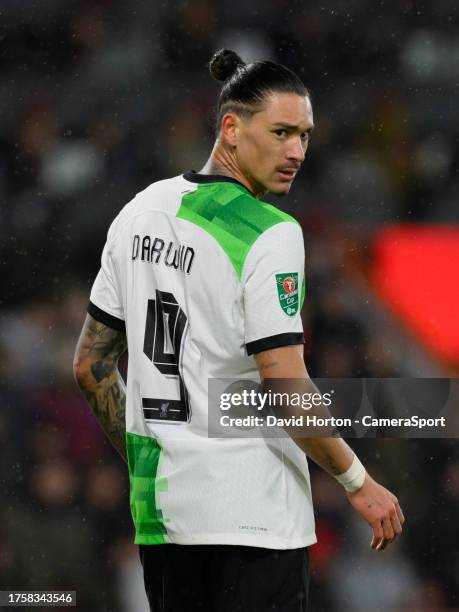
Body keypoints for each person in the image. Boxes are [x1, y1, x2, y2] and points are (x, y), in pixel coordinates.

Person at [73, 49, 404, 612]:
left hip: (164, 522)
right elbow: (285, 386)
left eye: (304, 135)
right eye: (281, 132)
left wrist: (150, 461)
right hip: (254, 521)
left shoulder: (139, 212)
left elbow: (90, 365)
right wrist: (357, 481)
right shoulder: (268, 232)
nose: (297, 151)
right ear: (231, 128)